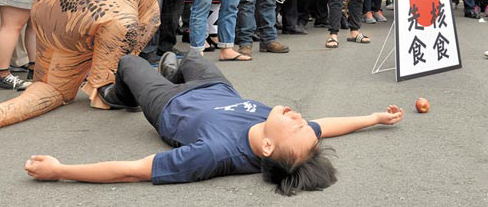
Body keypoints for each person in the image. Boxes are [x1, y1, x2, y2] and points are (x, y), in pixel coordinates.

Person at [24, 51, 404, 194]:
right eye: (306, 124)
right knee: (188, 55)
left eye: (296, 125)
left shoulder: (214, 154)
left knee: (129, 63)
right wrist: (374, 117)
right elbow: (330, 125)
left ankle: (123, 95)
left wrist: (61, 170)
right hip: (218, 89)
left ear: (268, 148)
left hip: (169, 105)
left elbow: (133, 171)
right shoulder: (285, 136)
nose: (299, 116)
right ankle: (173, 66)